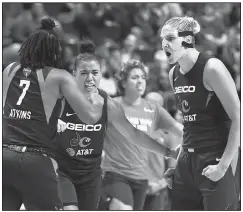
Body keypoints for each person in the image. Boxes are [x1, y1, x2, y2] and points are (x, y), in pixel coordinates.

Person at [55, 41, 177, 210]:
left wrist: (168, 152)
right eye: (84, 73)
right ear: (74, 74)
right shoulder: (60, 99)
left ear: (100, 74)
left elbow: (134, 134)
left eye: (94, 73)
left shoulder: (108, 104)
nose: (90, 78)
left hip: (91, 174)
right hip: (64, 171)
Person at [2, 18, 107, 211]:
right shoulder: (59, 76)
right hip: (35, 160)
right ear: (54, 51)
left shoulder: (8, 70)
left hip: (4, 156)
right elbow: (90, 117)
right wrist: (98, 102)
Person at [160, 16, 240, 210]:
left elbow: (238, 118)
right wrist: (180, 165)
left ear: (187, 39)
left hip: (216, 156)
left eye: (170, 38)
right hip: (187, 161)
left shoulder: (212, 67)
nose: (164, 44)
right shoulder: (174, 74)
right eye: (162, 39)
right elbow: (189, 122)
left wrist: (223, 167)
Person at [100, 59, 183, 210]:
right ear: (123, 83)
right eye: (134, 77)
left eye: (143, 78)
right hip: (115, 174)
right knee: (123, 208)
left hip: (141, 178)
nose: (140, 82)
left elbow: (180, 130)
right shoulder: (111, 105)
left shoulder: (154, 110)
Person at [143, 92, 176, 210]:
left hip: (157, 191)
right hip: (136, 187)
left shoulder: (168, 133)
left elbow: (173, 168)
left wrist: (160, 184)